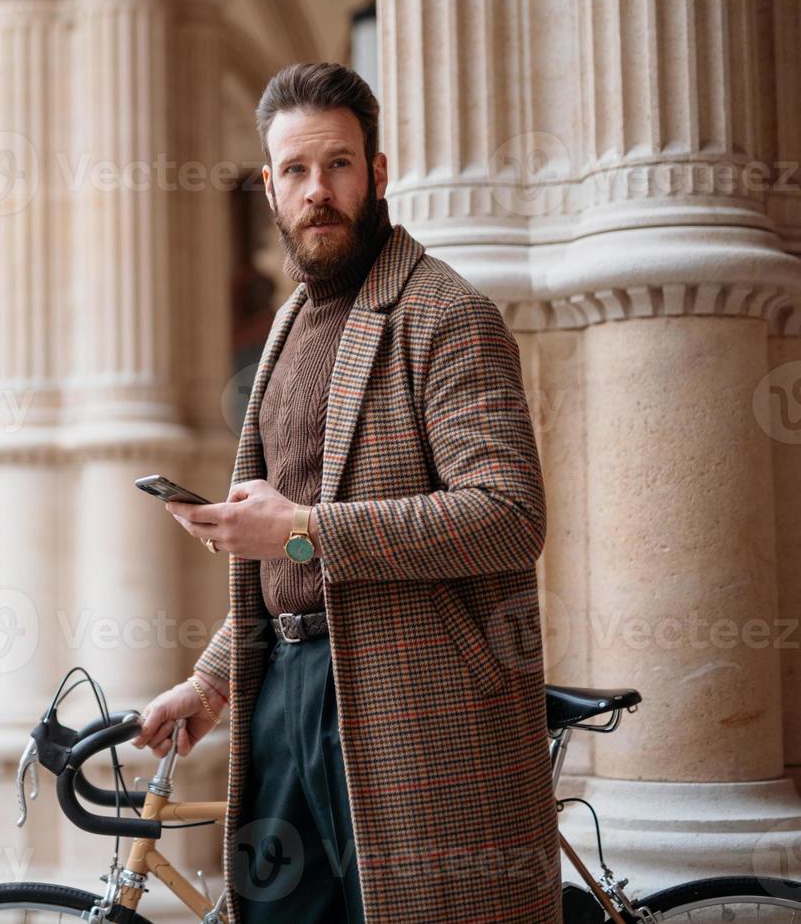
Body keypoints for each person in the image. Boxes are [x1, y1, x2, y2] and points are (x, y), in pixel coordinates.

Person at [132, 63, 561, 923]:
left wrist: (303, 530)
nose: (317, 192)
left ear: (379, 173)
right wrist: (212, 685)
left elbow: (510, 516)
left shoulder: (445, 315)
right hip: (286, 691)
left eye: (338, 166)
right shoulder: (294, 320)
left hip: (414, 704)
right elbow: (288, 551)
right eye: (295, 171)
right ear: (269, 186)